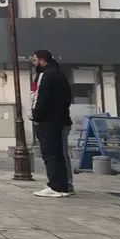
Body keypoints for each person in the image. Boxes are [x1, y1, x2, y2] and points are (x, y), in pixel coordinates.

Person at [31, 49, 74, 198]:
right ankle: (63, 185)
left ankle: (56, 186)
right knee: (60, 154)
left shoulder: (46, 75)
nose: (33, 63)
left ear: (43, 61)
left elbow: (41, 98)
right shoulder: (60, 74)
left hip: (48, 121)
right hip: (60, 119)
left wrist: (36, 116)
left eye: (35, 60)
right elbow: (67, 98)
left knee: (51, 154)